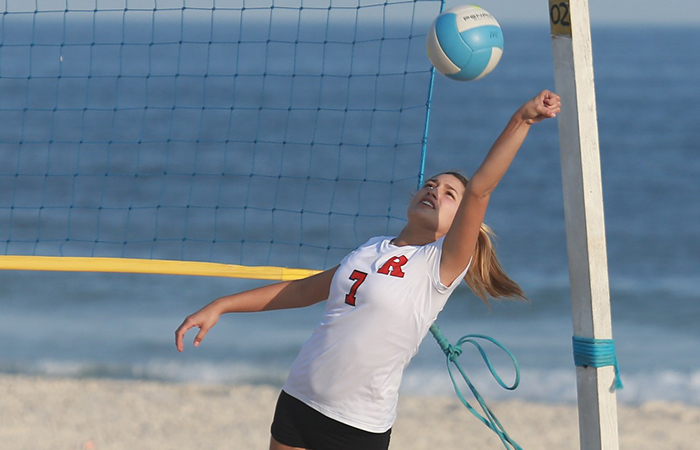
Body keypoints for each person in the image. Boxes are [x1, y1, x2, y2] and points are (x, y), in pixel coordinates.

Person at [175, 90, 561, 450]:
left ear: (461, 223)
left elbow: (479, 189)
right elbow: (302, 291)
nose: (434, 191)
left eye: (448, 194)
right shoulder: (371, 248)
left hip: (357, 423)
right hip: (299, 398)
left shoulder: (439, 266)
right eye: (430, 184)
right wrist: (221, 305)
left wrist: (523, 119)